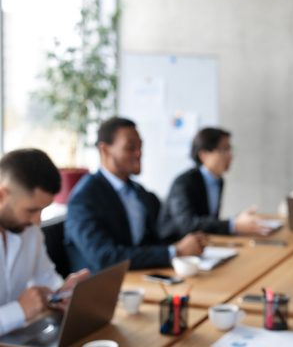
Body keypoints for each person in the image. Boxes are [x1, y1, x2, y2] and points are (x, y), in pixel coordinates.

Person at [65, 117, 205, 273]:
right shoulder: (84, 198)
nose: (139, 153)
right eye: (130, 148)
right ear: (104, 150)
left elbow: (156, 239)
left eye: (140, 147)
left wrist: (188, 241)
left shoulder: (140, 193)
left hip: (140, 277)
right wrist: (174, 252)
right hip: (102, 287)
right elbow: (105, 257)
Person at [0, 149, 88, 336]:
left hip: (16, 343)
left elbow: (46, 277)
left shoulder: (29, 231)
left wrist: (63, 293)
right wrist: (19, 310)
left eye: (42, 210)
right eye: (31, 210)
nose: (37, 221)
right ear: (2, 196)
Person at [158, 127, 270, 239]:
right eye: (224, 150)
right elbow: (187, 224)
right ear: (204, 155)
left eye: (230, 149)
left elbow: (210, 221)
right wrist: (233, 224)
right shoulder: (184, 182)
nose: (230, 156)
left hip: (203, 244)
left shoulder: (219, 180)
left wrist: (239, 221)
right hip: (175, 244)